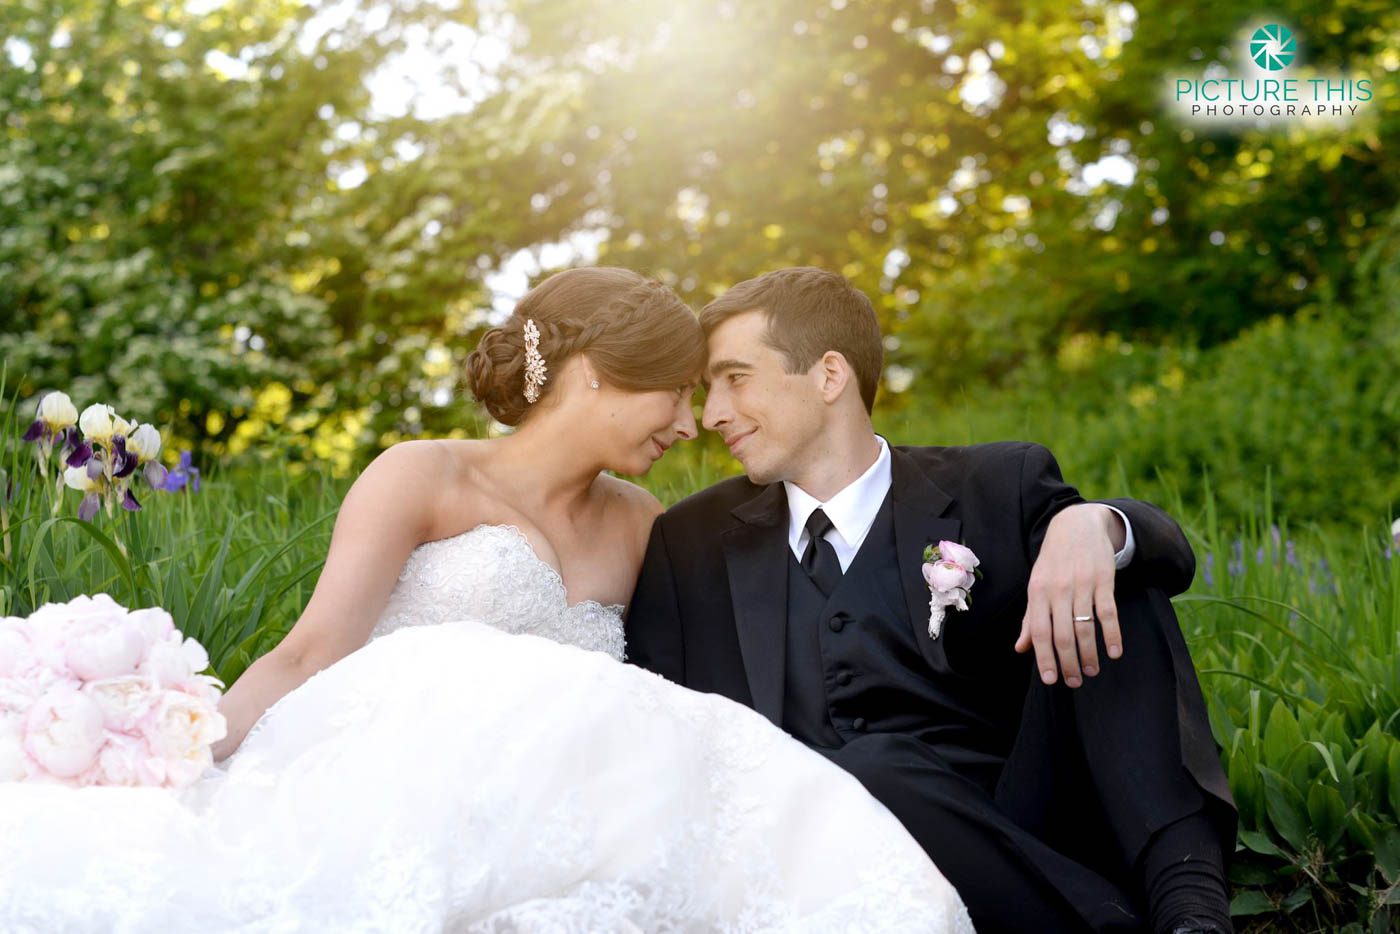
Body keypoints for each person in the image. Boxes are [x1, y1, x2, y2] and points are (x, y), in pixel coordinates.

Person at [0, 268, 973, 932]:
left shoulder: (644, 525)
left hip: (562, 810)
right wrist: (189, 755)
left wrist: (1079, 521)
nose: (692, 423)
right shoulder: (422, 474)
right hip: (391, 778)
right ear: (593, 378)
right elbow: (309, 653)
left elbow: (677, 690)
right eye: (671, 395)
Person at [626, 267, 1237, 934]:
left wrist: (1097, 524)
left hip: (1024, 825)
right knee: (868, 771)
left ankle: (1191, 911)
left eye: (735, 378)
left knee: (1111, 571)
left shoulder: (996, 484)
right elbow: (665, 734)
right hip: (825, 865)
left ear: (829, 376)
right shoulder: (688, 544)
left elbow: (1170, 554)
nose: (712, 414)